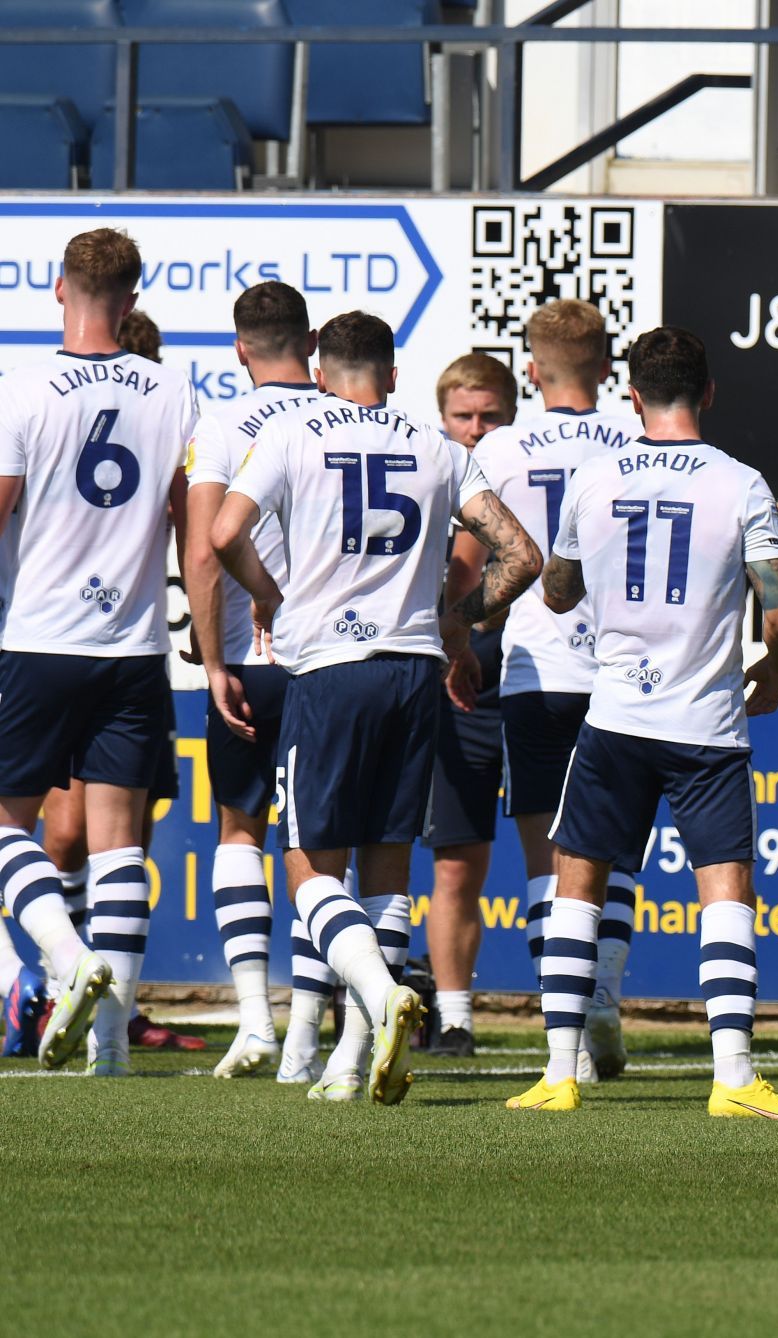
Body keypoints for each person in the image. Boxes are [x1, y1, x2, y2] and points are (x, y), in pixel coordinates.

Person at [211, 311, 541, 1104]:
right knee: (387, 869)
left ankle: (380, 998)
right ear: (393, 376)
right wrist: (458, 625)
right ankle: (349, 1059)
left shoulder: (292, 432)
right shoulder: (441, 447)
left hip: (329, 670)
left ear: (321, 372)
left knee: (306, 865)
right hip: (414, 671)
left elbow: (225, 531)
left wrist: (265, 594)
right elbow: (522, 554)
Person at [508, 326, 778, 1118]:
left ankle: (558, 1075)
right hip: (705, 719)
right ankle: (735, 1077)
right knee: (726, 891)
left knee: (576, 881)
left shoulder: (595, 477)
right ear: (709, 393)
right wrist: (775, 673)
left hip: (613, 715)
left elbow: (554, 592)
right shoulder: (741, 482)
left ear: (633, 396)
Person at [0, 227, 196, 1075]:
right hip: (133, 647)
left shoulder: (22, 388)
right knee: (121, 846)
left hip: (36, 639)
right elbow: (192, 528)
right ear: (133, 297)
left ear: (57, 288)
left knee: (7, 827)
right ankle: (110, 1049)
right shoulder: (172, 390)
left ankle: (64, 958)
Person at [461, 299, 642, 1082]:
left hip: (535, 666)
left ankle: (560, 1025)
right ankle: (602, 987)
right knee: (616, 845)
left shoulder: (501, 445)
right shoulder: (640, 440)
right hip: (626, 670)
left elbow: (475, 560)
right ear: (606, 367)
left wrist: (459, 635)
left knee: (546, 852)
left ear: (531, 371)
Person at [182, 280, 340, 1081]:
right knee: (318, 843)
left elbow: (207, 551)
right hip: (333, 666)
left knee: (240, 831)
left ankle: (255, 1022)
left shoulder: (221, 423)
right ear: (310, 344)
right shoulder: (342, 418)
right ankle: (308, 1037)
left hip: (252, 663)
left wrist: (213, 663)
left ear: (239, 348)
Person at [420, 351, 518, 1057]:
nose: (478, 429)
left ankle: (577, 1016)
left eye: (490, 416)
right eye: (464, 416)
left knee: (569, 857)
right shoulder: (428, 481)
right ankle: (453, 1019)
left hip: (541, 683)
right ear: (443, 416)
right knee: (456, 862)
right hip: (457, 693)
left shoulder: (539, 477)